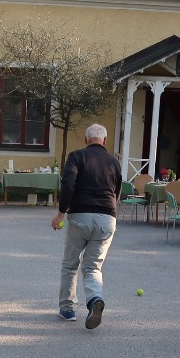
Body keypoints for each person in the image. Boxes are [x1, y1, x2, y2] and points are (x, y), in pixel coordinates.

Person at [52, 124, 120, 329]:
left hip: (80, 215)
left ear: (85, 139)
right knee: (92, 267)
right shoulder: (114, 162)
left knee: (70, 264)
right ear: (105, 141)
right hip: (107, 217)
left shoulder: (76, 156)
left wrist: (61, 212)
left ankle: (67, 309)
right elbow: (117, 191)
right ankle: (94, 300)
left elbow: (68, 183)